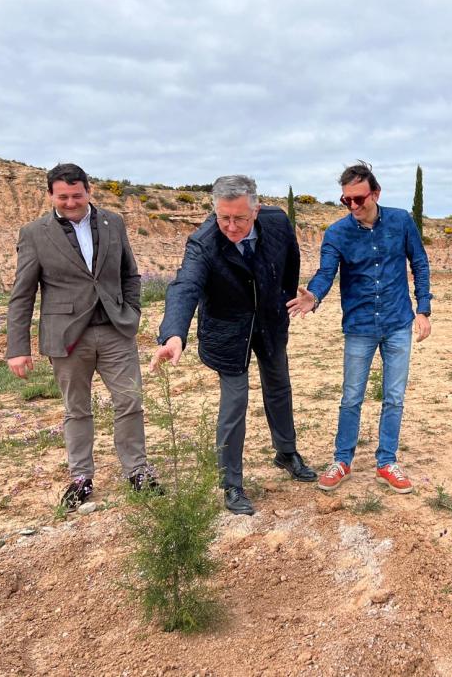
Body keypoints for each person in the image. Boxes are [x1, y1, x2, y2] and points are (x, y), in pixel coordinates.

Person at [150, 175, 316, 516]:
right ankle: (231, 483)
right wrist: (173, 334)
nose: (230, 225)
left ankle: (286, 452)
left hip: (269, 322)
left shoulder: (277, 223)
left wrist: (284, 298)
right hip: (228, 331)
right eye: (223, 217)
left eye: (239, 218)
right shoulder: (204, 242)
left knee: (279, 387)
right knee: (235, 403)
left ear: (255, 210)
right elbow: (185, 286)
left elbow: (290, 263)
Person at [6, 163, 155, 509]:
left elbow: (129, 274)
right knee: (76, 409)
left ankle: (137, 471)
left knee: (129, 402)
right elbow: (22, 293)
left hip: (116, 330)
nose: (70, 202)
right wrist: (18, 347)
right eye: (63, 196)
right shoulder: (34, 233)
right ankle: (81, 478)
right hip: (66, 337)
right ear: (50, 196)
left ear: (89, 191)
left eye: (76, 195)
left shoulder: (113, 222)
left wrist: (131, 311)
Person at [287, 161, 432, 494]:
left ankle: (386, 462)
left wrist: (423, 309)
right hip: (360, 326)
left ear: (375, 193)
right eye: (346, 200)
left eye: (359, 199)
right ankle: (342, 460)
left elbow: (420, 264)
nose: (353, 206)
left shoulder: (401, 221)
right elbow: (326, 272)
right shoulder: (337, 233)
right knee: (351, 397)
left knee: (394, 397)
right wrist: (315, 296)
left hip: (398, 322)